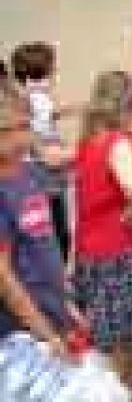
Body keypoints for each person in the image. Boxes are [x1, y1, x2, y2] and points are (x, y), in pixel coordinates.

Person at [71, 71, 132, 386]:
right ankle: (125, 388)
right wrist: (131, 218)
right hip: (123, 252)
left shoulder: (86, 143)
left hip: (91, 251)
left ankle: (121, 387)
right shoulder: (119, 143)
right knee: (125, 333)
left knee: (107, 332)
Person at [0, 84, 81, 359]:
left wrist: (65, 303)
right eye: (11, 129)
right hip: (19, 330)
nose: (23, 137)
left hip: (52, 312)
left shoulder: (30, 174)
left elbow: (45, 246)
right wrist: (44, 331)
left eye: (26, 126)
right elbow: (4, 275)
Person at [10, 42, 72, 259]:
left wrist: (76, 109)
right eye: (52, 70)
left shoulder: (36, 96)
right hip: (41, 176)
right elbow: (43, 152)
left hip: (44, 175)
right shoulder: (33, 100)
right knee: (55, 233)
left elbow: (48, 116)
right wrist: (81, 151)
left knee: (56, 231)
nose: (55, 73)